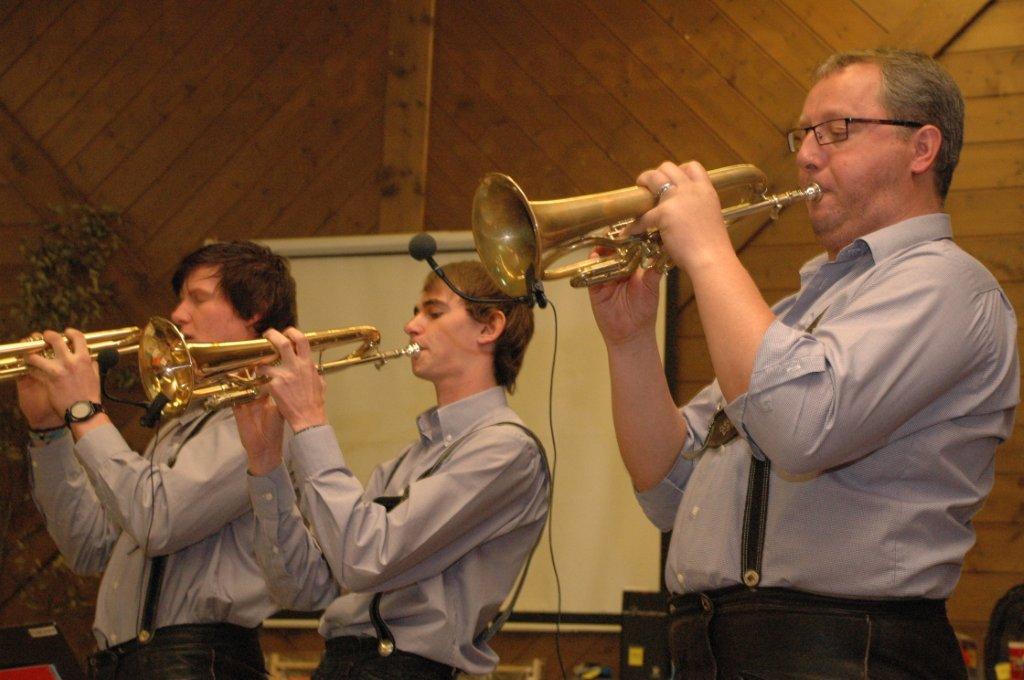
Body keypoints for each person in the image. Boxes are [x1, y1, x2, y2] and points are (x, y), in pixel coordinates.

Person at [589, 49, 1019, 678]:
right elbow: (666, 485)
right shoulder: (793, 313)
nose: (807, 155)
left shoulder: (950, 285)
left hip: (846, 652)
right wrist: (628, 341)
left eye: (836, 130)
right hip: (719, 647)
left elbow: (798, 429)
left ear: (921, 148)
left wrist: (707, 251)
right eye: (803, 135)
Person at [234, 260, 549, 679]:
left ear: (489, 327)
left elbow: (365, 558)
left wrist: (309, 422)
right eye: (416, 312)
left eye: (433, 312)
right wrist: (266, 464)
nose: (411, 326)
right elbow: (304, 588)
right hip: (343, 663)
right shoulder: (404, 461)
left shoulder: (507, 450)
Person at [20, 241, 298, 679]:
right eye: (181, 298)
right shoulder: (188, 417)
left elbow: (156, 520)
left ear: (255, 311)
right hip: (133, 660)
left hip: (196, 661)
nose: (178, 314)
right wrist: (49, 431)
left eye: (198, 298)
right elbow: (90, 547)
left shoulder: (264, 410)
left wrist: (84, 412)